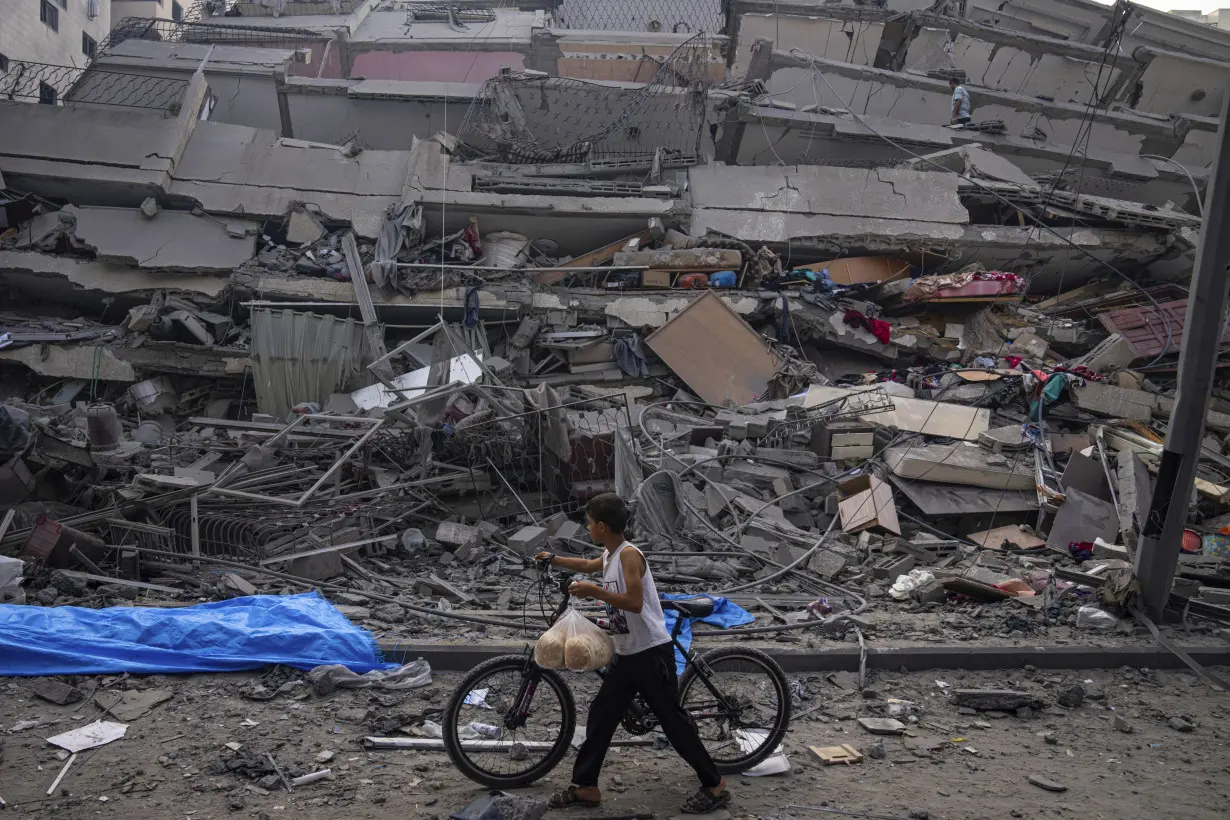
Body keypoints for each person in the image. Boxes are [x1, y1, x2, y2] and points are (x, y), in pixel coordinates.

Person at [535, 493, 730, 814]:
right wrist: (552, 558)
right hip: (629, 654)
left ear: (601, 525)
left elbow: (634, 601)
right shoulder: (610, 554)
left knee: (673, 722)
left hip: (650, 653)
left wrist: (593, 590)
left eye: (588, 523)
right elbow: (588, 564)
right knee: (601, 715)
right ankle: (586, 787)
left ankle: (715, 784)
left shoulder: (629, 556)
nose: (587, 528)